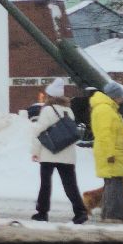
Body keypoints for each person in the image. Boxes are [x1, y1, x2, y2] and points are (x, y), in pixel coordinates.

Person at [30, 78, 86, 223]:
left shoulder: (48, 110)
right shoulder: (68, 111)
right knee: (70, 185)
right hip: (67, 154)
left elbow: (39, 131)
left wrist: (35, 152)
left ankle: (42, 213)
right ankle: (80, 211)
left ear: (50, 96)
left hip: (49, 153)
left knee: (46, 184)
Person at [88, 82, 123, 223]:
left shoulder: (108, 109)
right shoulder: (105, 110)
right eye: (120, 96)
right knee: (113, 184)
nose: (122, 99)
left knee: (113, 183)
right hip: (111, 153)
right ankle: (112, 215)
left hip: (113, 152)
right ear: (114, 96)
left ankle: (110, 214)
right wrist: (109, 154)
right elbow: (105, 134)